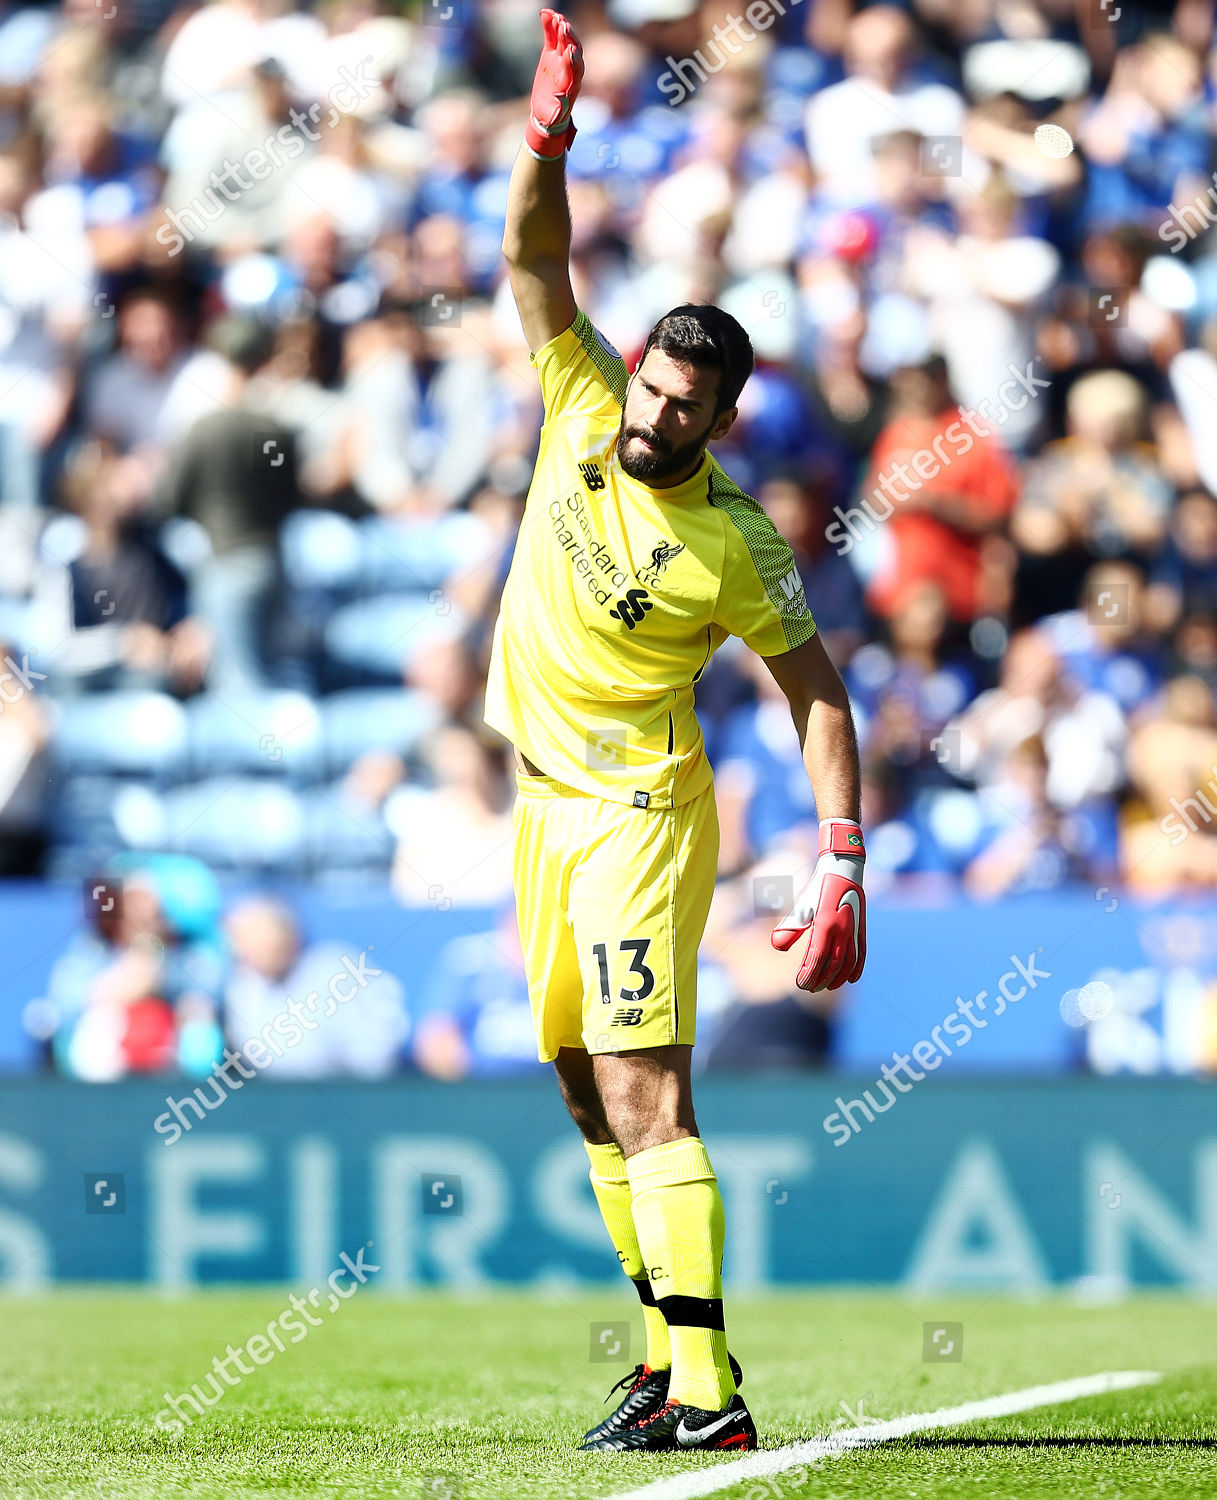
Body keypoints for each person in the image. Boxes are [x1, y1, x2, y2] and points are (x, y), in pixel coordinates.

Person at [483, 10, 867, 1456]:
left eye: (682, 407)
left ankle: (712, 1397)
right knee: (586, 1093)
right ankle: (660, 1364)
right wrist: (546, 131)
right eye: (650, 385)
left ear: (718, 419)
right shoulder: (579, 398)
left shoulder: (735, 544)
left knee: (648, 1090)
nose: (652, 413)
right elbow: (530, 258)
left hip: (642, 816)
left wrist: (838, 856)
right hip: (542, 807)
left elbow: (816, 690)